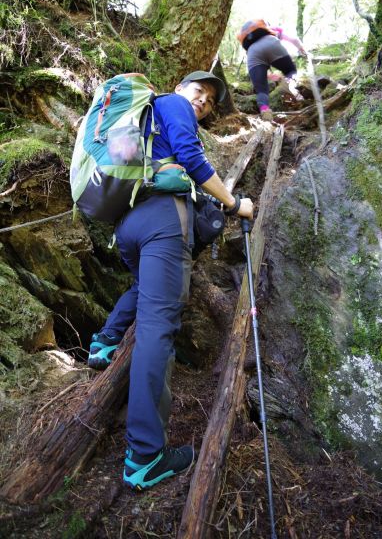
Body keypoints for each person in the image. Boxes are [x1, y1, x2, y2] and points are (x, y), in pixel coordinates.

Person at [87, 71, 254, 491]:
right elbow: (193, 160)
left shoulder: (146, 120)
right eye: (199, 91)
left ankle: (104, 341)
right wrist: (235, 204)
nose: (203, 101)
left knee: (146, 289)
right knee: (158, 328)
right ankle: (145, 456)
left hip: (128, 223)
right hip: (163, 219)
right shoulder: (174, 106)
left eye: (211, 101)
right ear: (180, 88)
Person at [237, 19, 307, 121]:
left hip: (252, 53)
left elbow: (260, 61)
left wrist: (268, 75)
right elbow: (293, 39)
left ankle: (265, 110)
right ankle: (295, 91)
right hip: (271, 43)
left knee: (261, 90)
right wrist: (302, 49)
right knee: (290, 71)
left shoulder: (248, 41)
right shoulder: (271, 29)